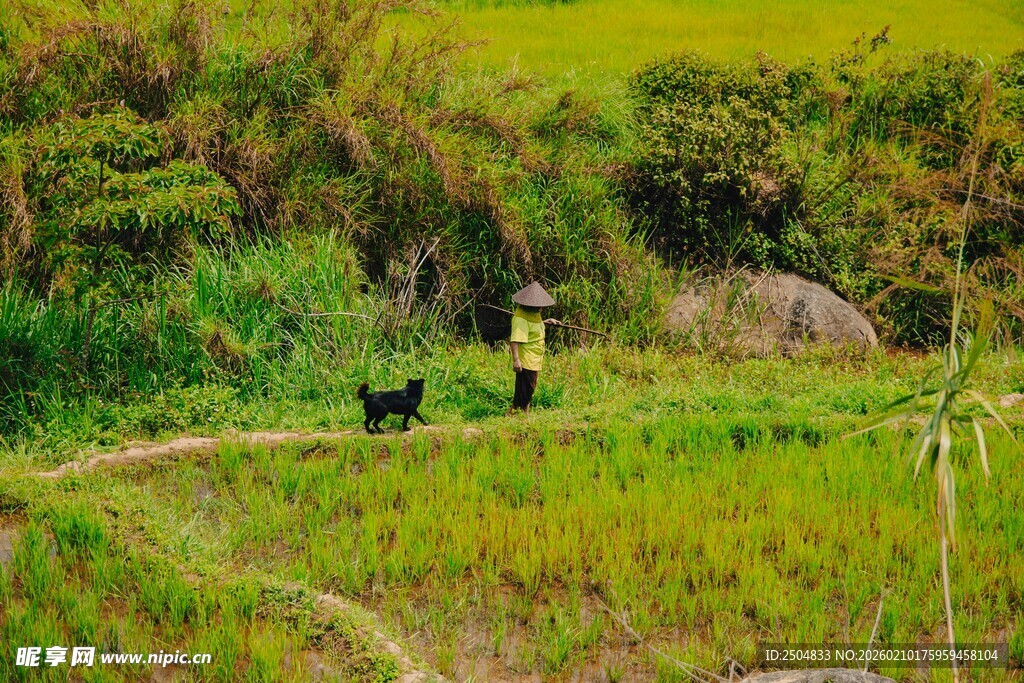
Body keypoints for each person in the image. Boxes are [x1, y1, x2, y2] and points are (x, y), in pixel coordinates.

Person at [508, 281, 560, 414]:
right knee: (525, 389)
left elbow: (533, 327)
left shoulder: (533, 314)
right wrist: (516, 360)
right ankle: (514, 413)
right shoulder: (521, 319)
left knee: (529, 388)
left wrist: (547, 321)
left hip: (535, 357)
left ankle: (524, 413)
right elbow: (515, 340)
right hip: (527, 358)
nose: (540, 308)